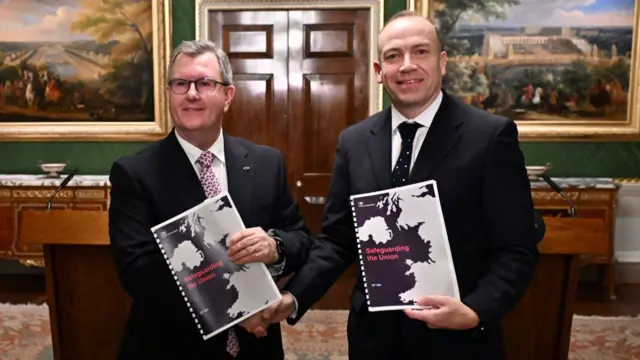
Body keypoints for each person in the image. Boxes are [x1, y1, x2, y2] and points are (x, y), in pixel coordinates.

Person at [260, 10, 539, 360]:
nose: (407, 65)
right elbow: (337, 238)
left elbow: (517, 249)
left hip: (457, 341)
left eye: (420, 52)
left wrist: (476, 311)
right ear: (379, 72)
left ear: (442, 62)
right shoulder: (355, 141)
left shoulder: (490, 137)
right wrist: (295, 296)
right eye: (393, 56)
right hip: (374, 339)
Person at [108, 39, 311, 360]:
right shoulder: (134, 173)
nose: (191, 93)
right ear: (169, 92)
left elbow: (299, 238)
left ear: (227, 96)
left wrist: (275, 248)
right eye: (180, 83)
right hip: (172, 345)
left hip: (257, 348)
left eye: (204, 83)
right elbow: (138, 272)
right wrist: (230, 310)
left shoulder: (266, 163)